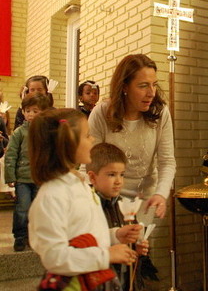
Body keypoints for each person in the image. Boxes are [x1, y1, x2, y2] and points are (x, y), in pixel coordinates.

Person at [28, 108, 139, 290]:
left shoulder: (78, 185)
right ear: (68, 143)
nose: (93, 139)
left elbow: (84, 232)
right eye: (87, 136)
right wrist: (106, 255)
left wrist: (115, 235)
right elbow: (54, 257)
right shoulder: (53, 195)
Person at [88, 54, 176, 219]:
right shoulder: (101, 113)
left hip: (146, 198)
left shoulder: (160, 112)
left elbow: (167, 161)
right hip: (108, 198)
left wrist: (161, 194)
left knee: (140, 243)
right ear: (124, 87)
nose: (151, 93)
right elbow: (91, 163)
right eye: (143, 86)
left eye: (154, 85)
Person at [87, 143, 159, 291]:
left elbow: (131, 249)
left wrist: (137, 249)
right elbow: (85, 247)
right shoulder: (87, 207)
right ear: (93, 177)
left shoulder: (124, 206)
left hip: (125, 281)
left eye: (122, 174)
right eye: (111, 174)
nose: (119, 181)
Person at [4, 93, 50, 251]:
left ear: (43, 112)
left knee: (38, 209)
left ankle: (34, 236)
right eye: (28, 110)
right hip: (22, 179)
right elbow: (11, 155)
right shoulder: (19, 133)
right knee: (22, 208)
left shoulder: (46, 133)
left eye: (35, 111)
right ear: (23, 112)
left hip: (40, 178)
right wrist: (10, 176)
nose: (31, 114)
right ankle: (20, 236)